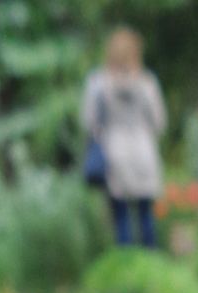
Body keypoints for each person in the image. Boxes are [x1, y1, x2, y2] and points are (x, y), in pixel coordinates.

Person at [82, 28, 166, 249]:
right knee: (146, 214)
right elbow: (159, 122)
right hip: (144, 151)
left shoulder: (99, 83)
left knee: (121, 217)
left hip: (114, 153)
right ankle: (151, 269)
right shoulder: (147, 83)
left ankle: (127, 268)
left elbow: (89, 122)